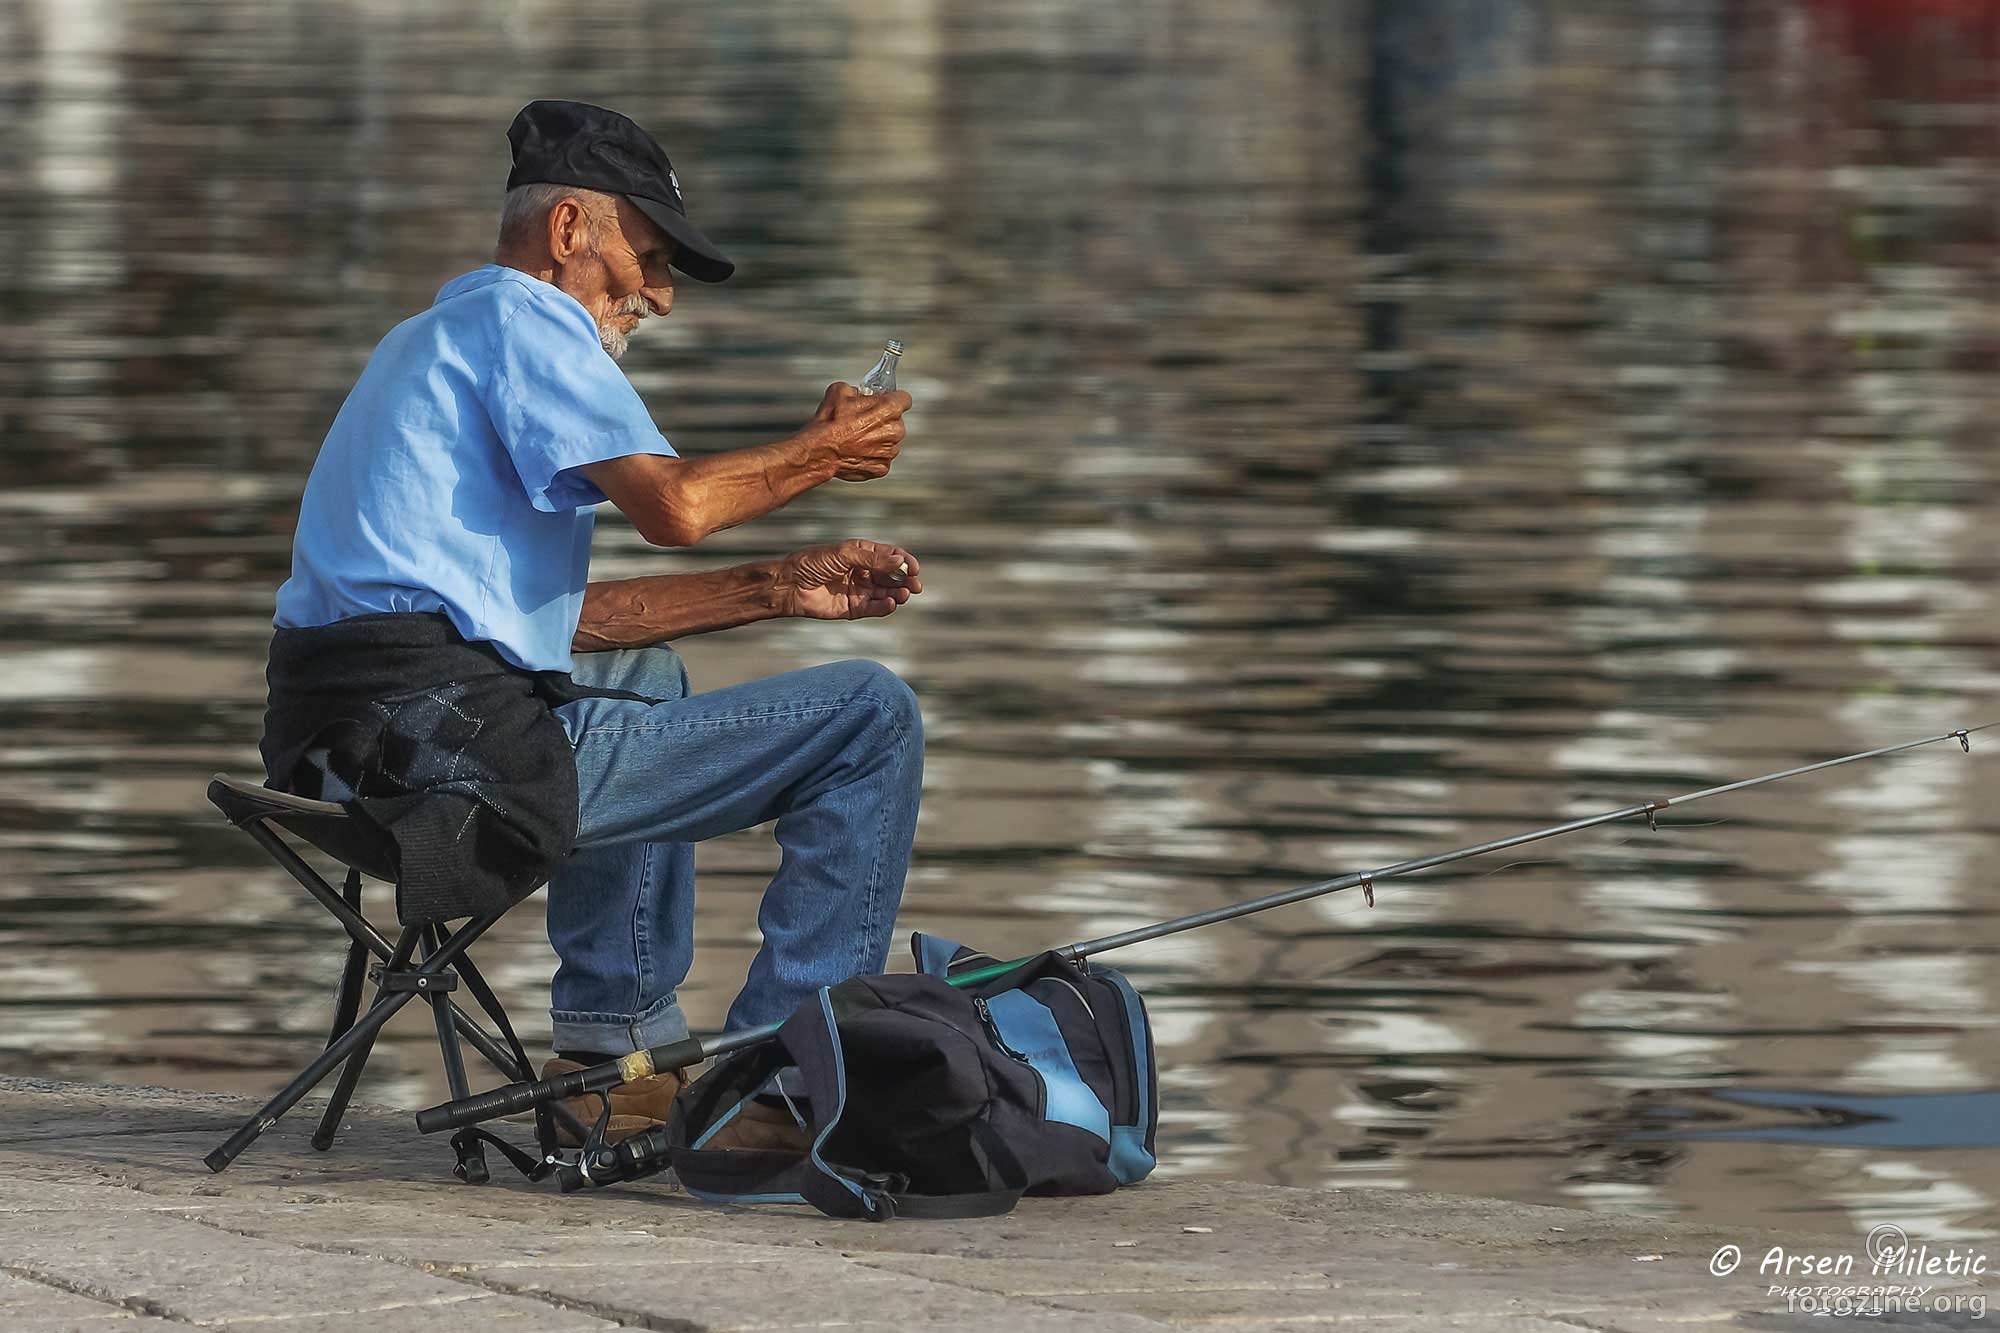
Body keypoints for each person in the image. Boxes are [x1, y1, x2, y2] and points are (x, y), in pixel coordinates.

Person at [262, 100, 924, 1149]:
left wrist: (776, 586)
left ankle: (606, 1063)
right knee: (871, 714)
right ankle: (775, 1082)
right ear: (571, 230)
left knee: (649, 676)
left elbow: (548, 626)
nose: (657, 298)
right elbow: (672, 508)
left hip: (354, 760)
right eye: (648, 258)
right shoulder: (523, 320)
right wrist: (822, 453)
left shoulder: (432, 340)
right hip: (443, 767)